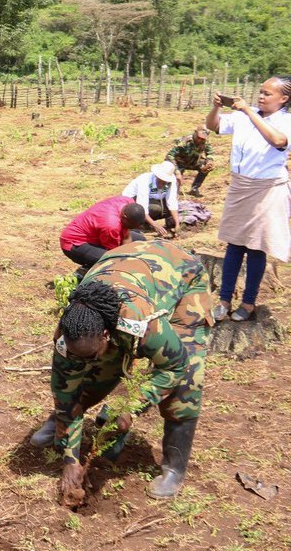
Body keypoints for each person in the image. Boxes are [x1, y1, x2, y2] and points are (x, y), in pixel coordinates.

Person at [34, 241, 211, 506]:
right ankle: (62, 425)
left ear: (107, 333)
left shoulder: (140, 323)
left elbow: (175, 365)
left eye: (93, 352)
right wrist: (70, 460)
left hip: (180, 274)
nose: (87, 360)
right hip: (121, 262)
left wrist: (131, 406)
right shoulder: (69, 334)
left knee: (186, 383)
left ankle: (174, 467)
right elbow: (65, 390)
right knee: (97, 370)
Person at [206, 78, 291, 322]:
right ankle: (223, 300)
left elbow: (278, 141)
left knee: (256, 246)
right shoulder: (246, 114)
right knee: (234, 243)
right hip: (240, 185)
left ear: (283, 99)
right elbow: (214, 126)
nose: (261, 97)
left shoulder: (286, 121)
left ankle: (248, 302)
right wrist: (216, 108)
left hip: (267, 189)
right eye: (260, 92)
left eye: (267, 93)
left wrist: (247, 112)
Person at [58, 196, 147, 274]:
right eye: (131, 226)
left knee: (140, 241)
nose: (131, 229)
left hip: (97, 233)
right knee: (112, 261)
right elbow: (116, 253)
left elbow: (127, 236)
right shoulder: (111, 225)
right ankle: (85, 272)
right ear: (125, 218)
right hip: (74, 243)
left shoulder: (127, 201)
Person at [122, 161, 180, 237]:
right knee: (156, 208)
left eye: (164, 182)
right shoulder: (145, 180)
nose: (161, 184)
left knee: (168, 210)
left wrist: (177, 224)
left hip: (152, 200)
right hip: (131, 203)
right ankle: (140, 224)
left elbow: (172, 202)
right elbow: (142, 206)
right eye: (160, 181)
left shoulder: (171, 182)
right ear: (156, 176)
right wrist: (155, 225)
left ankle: (148, 222)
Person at [167, 128, 214, 197]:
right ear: (195, 133)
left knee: (206, 168)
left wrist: (209, 161)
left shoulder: (205, 141)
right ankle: (174, 189)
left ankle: (194, 189)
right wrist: (176, 171)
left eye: (203, 139)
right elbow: (170, 156)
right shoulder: (184, 142)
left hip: (193, 162)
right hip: (180, 163)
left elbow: (209, 153)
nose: (200, 140)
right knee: (174, 187)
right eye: (198, 138)